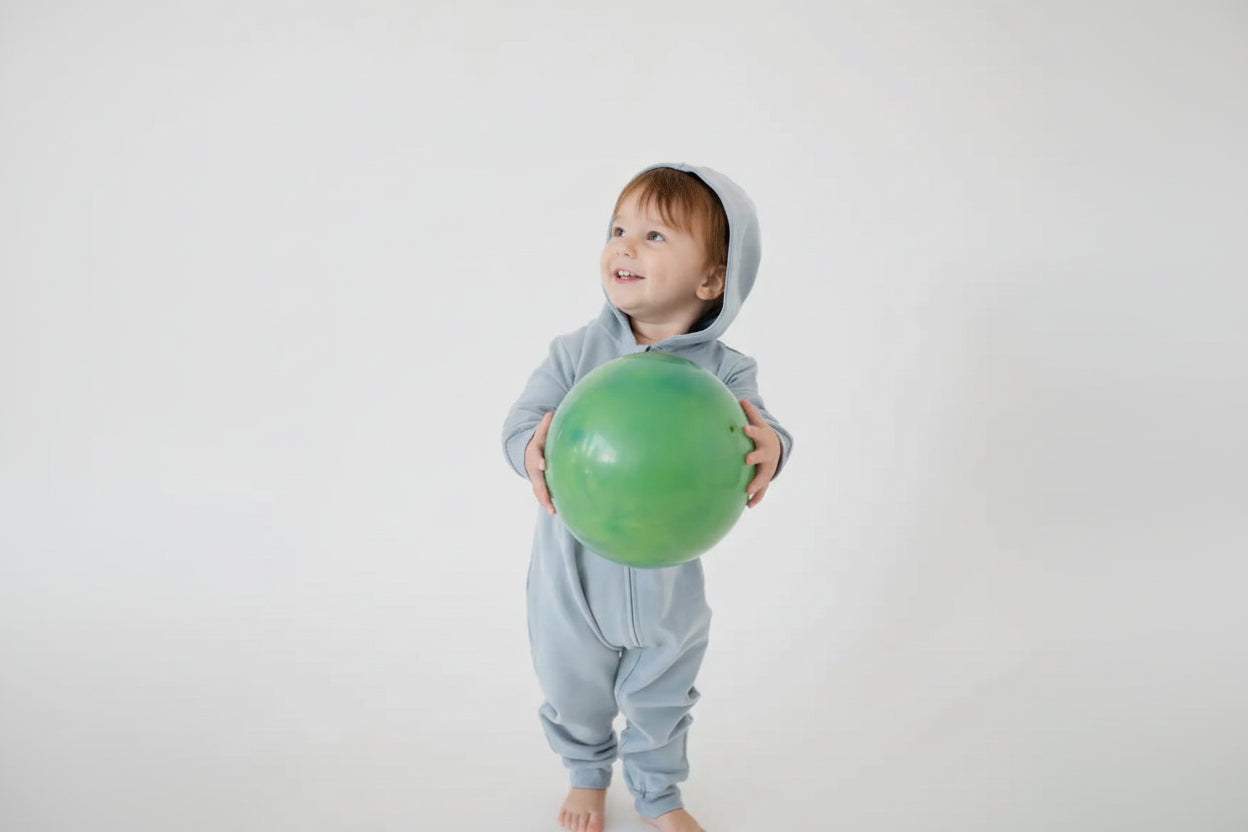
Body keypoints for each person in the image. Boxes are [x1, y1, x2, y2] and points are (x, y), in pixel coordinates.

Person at [501, 163, 794, 832]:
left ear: (712, 280)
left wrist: (773, 448)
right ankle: (586, 773)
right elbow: (520, 423)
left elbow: (766, 432)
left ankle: (659, 792)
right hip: (571, 575)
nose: (625, 246)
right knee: (571, 683)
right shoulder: (577, 354)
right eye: (618, 230)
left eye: (654, 236)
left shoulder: (724, 372)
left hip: (669, 578)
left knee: (664, 690)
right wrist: (531, 449)